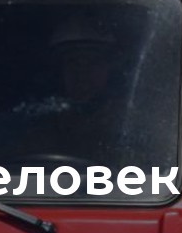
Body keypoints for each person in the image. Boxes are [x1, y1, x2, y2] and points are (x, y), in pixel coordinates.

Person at [8, 17, 128, 165]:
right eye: (73, 62)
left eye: (93, 62)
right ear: (59, 72)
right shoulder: (42, 125)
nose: (82, 73)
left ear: (110, 69)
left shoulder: (129, 123)